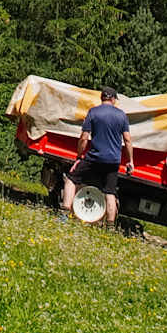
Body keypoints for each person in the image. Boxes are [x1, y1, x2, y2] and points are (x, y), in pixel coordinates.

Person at [62, 86, 134, 228]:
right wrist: (130, 161)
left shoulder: (93, 112)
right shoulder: (122, 115)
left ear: (102, 98)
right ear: (113, 99)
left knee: (71, 179)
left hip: (94, 157)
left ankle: (64, 215)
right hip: (113, 161)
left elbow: (84, 137)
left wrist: (79, 156)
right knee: (110, 192)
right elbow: (127, 140)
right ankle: (111, 226)